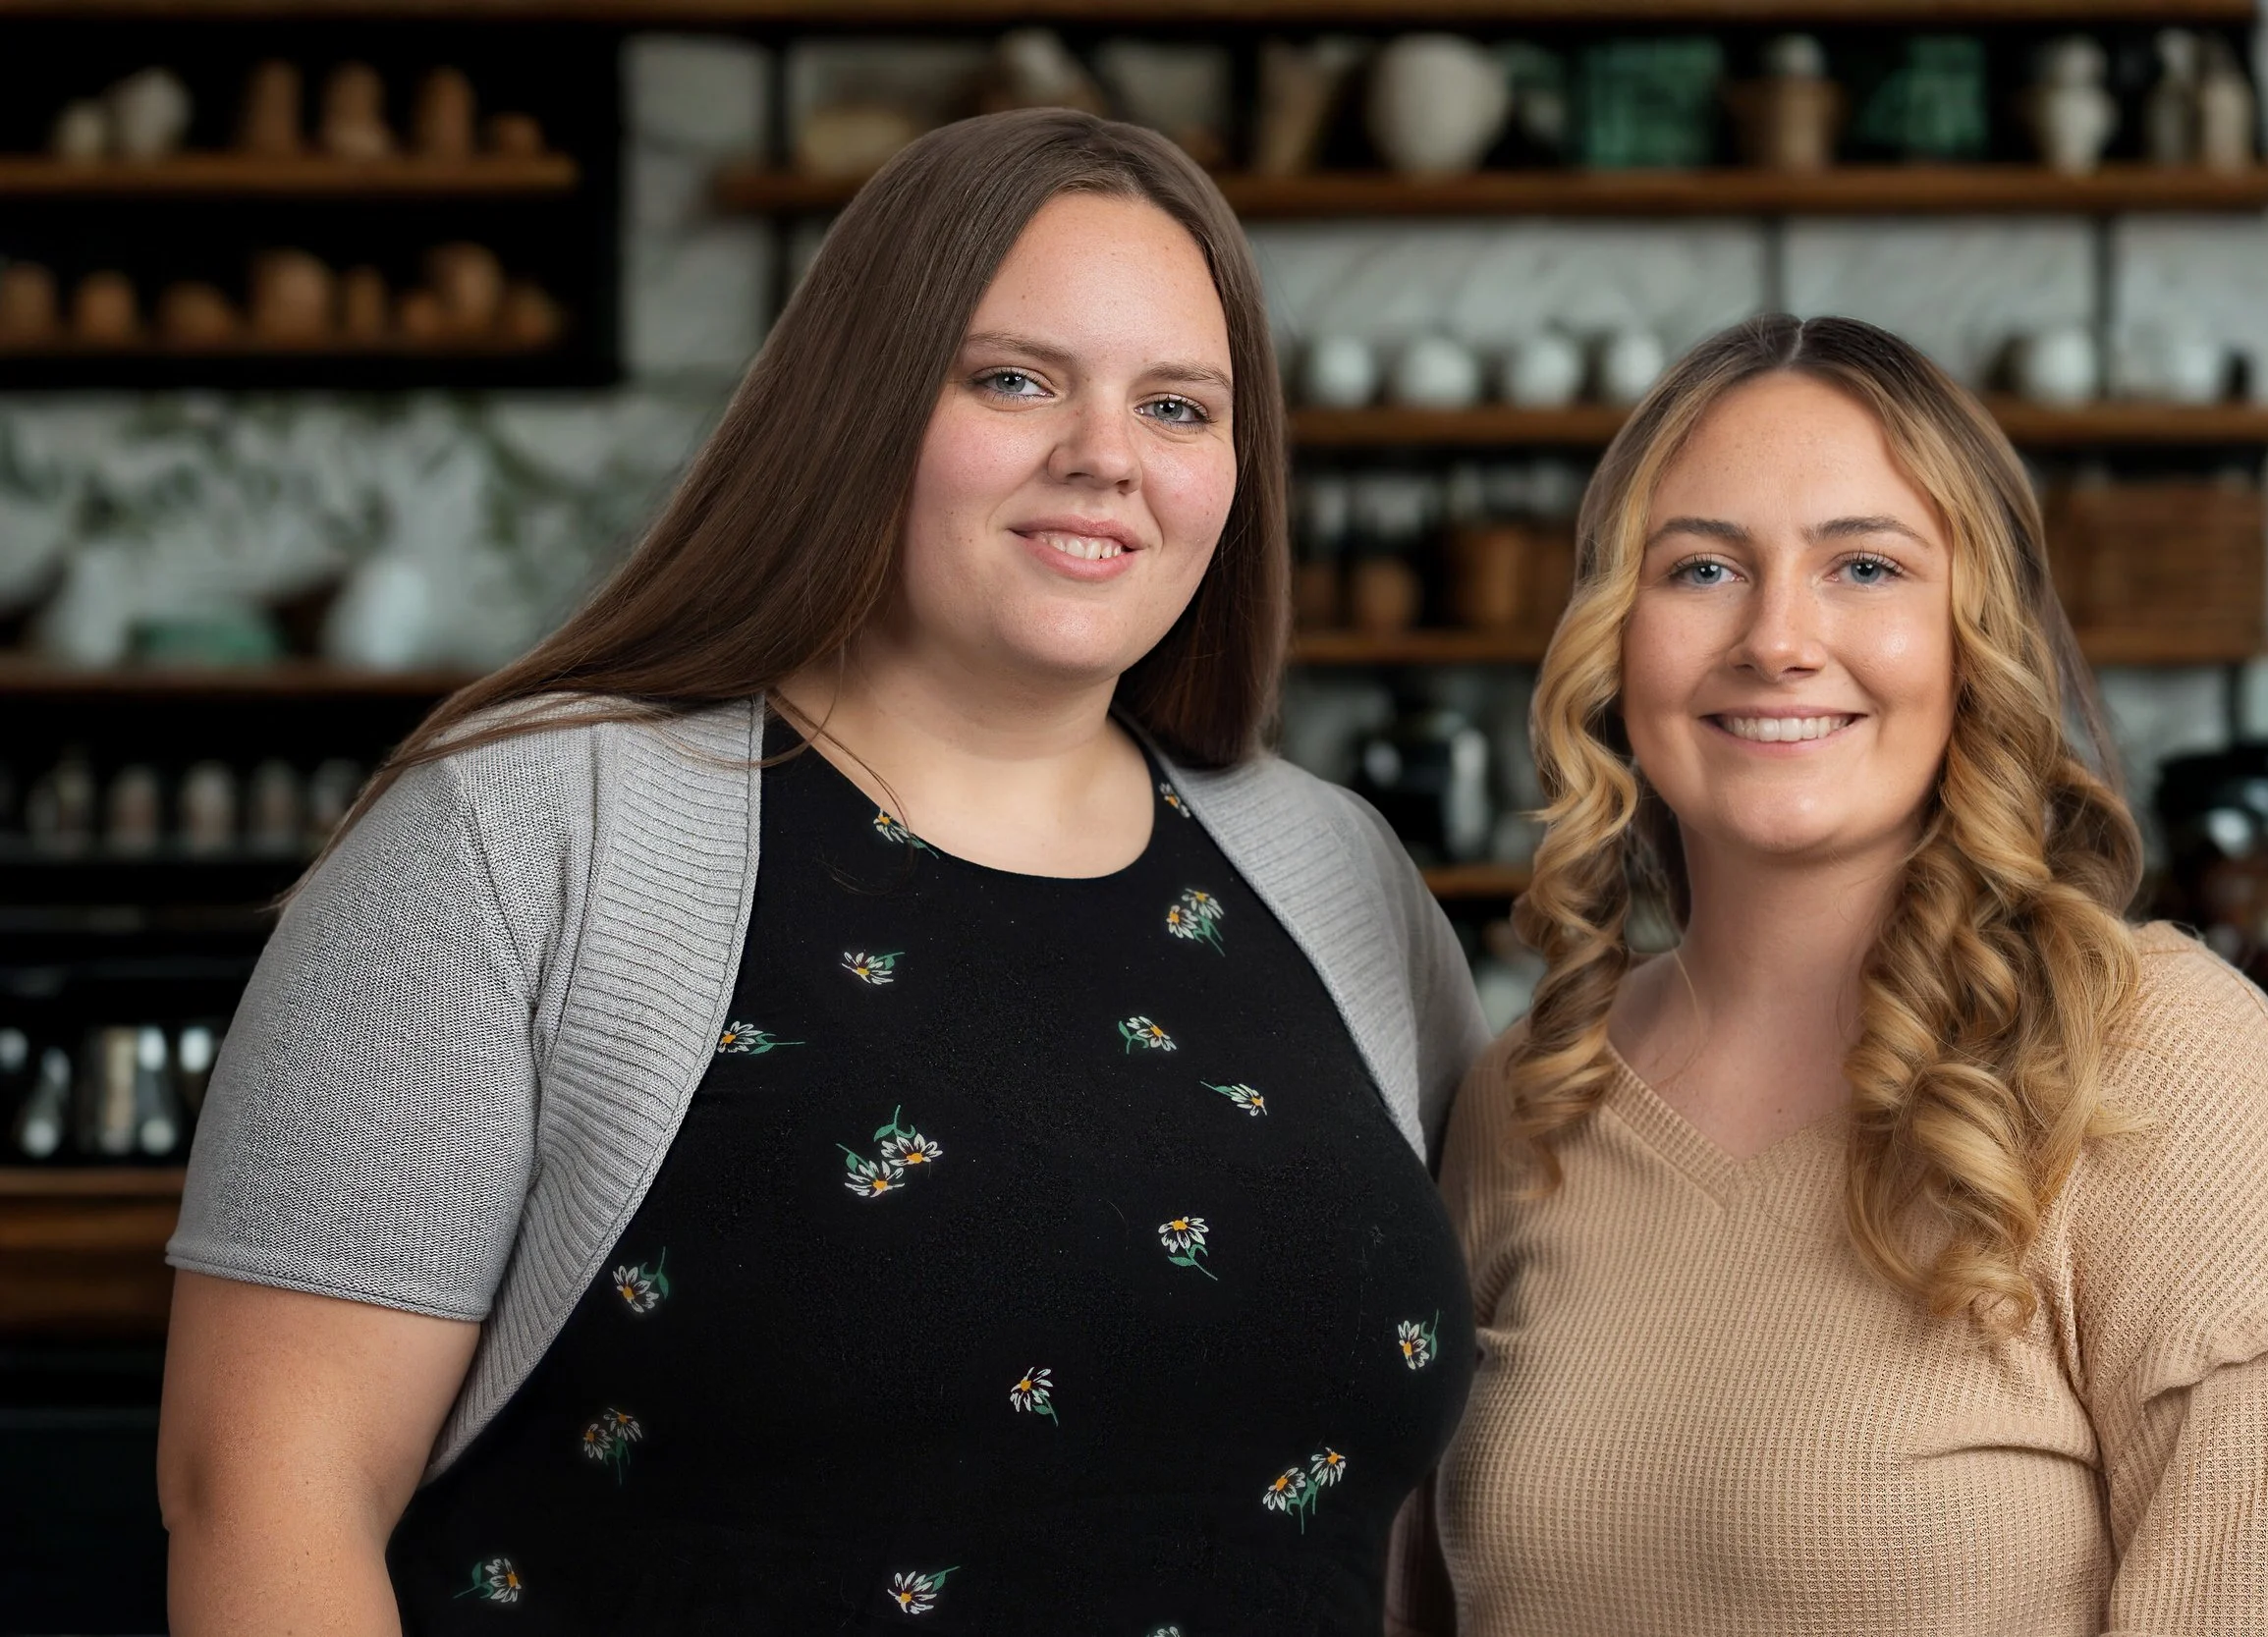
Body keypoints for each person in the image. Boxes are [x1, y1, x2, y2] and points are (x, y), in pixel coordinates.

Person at [157, 109, 1481, 1635]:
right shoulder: (523, 829)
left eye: (1179, 407)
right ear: (858, 408)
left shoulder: (1338, 874)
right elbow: (262, 1490)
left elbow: (1404, 1531)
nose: (1106, 457)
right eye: (1013, 379)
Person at [1389, 313, 2268, 1636]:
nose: (1777, 637)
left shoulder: (2164, 1064)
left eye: (1866, 567)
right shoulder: (1525, 1099)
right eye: (1703, 567)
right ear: (1614, 643)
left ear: (1975, 638)